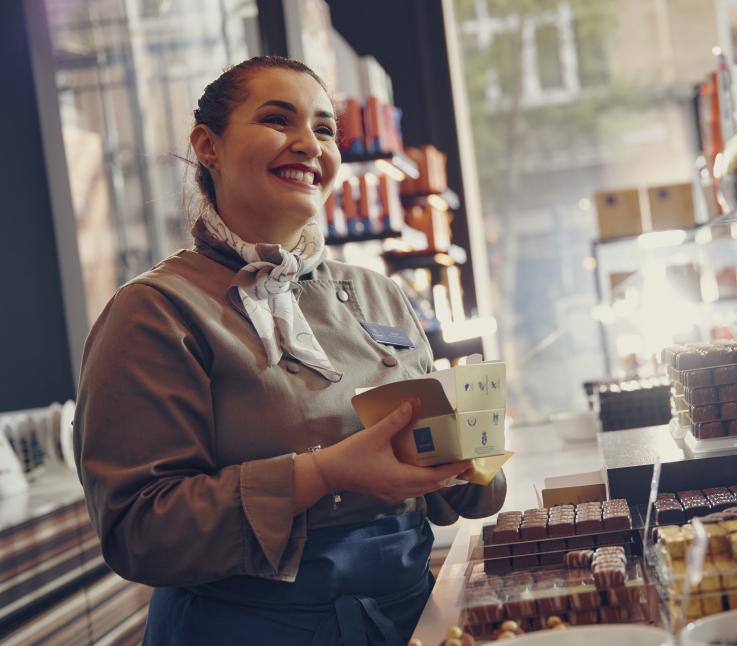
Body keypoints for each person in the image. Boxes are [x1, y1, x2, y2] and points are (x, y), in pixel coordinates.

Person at [74, 56, 506, 646]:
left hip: (410, 622)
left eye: (325, 129)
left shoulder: (379, 294)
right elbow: (140, 531)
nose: (309, 144)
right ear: (209, 146)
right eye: (279, 120)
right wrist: (323, 472)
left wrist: (470, 461)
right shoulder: (154, 312)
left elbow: (451, 488)